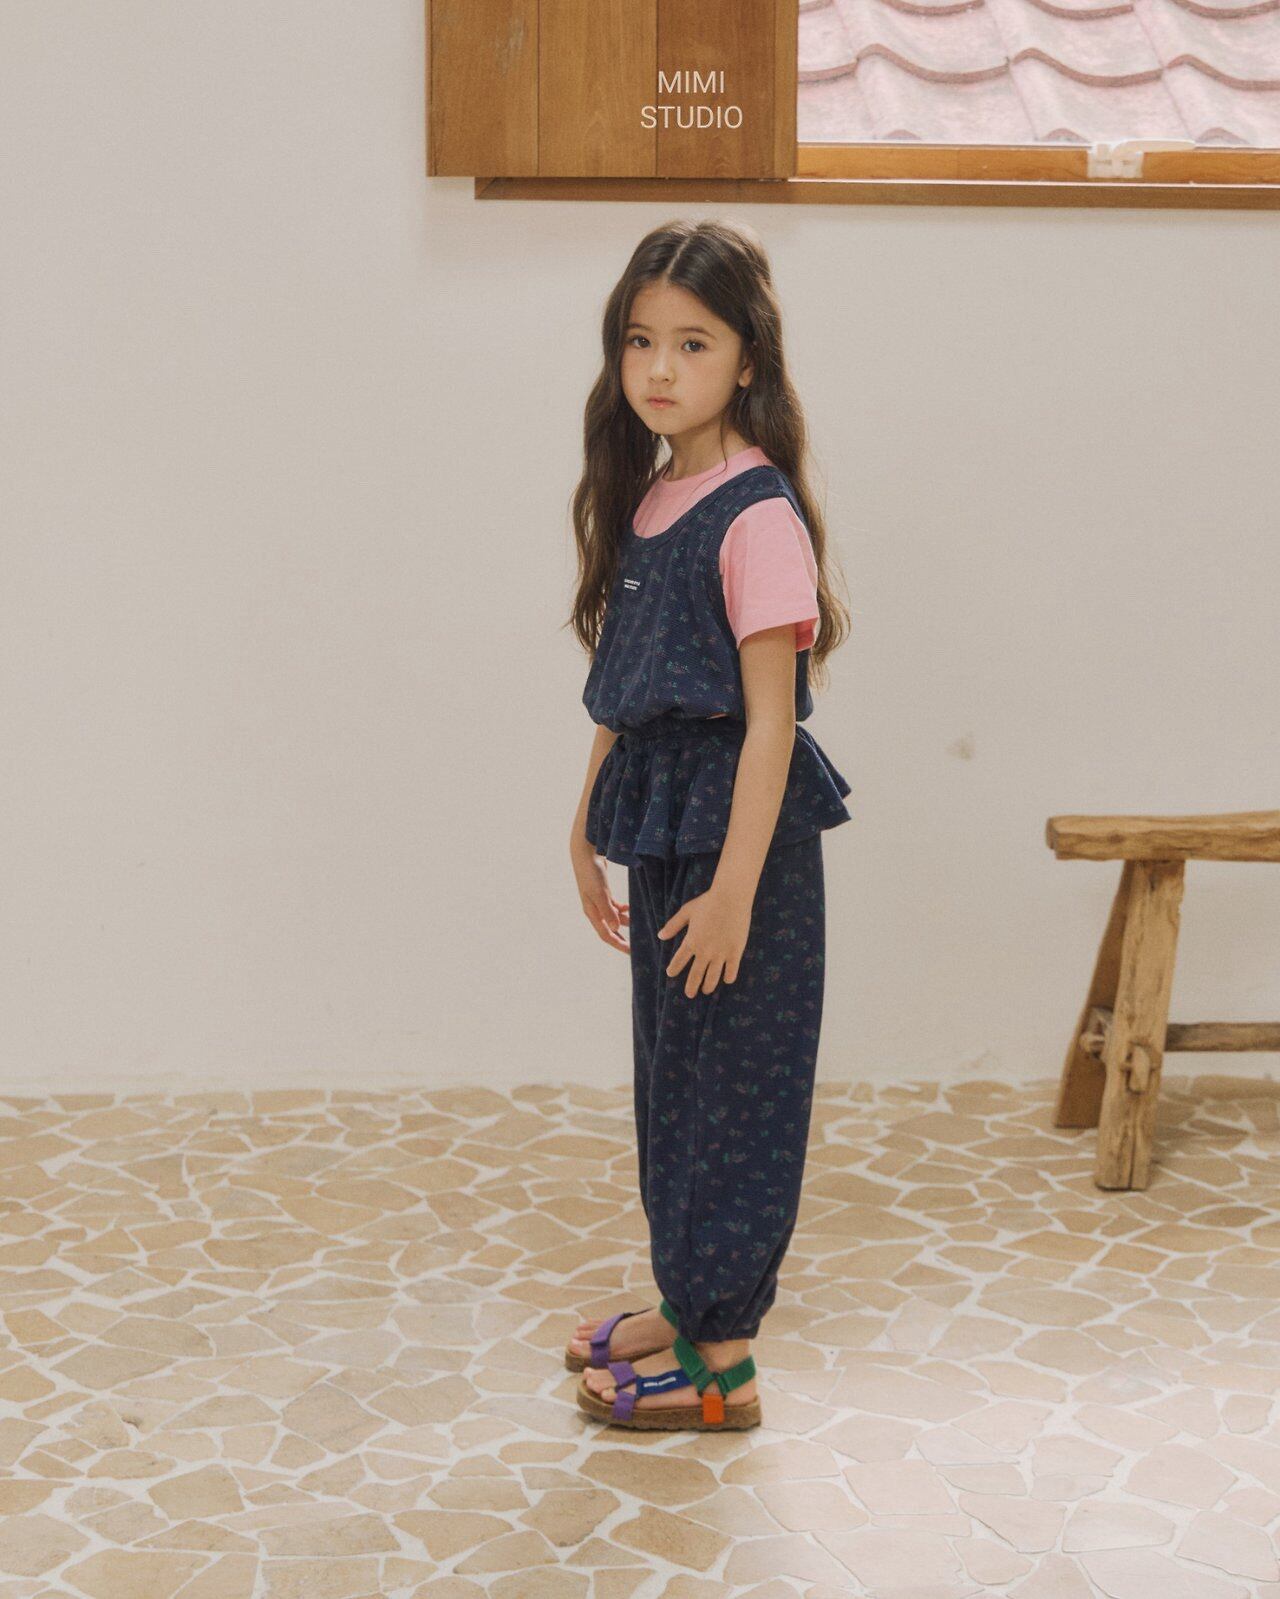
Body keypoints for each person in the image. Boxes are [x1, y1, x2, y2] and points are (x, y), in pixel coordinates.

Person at [565, 218, 853, 1432]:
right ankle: (687, 1299)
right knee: (672, 1080)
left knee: (734, 1086)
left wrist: (734, 888)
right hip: (662, 822)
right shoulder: (648, 497)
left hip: (740, 842)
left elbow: (769, 725)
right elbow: (627, 690)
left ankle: (722, 1356)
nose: (660, 368)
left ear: (746, 360)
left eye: (692, 343)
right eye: (641, 340)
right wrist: (582, 826)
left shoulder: (753, 515)